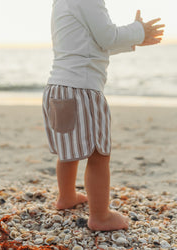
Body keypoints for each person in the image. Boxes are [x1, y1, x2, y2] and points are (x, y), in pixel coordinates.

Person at [42, 0, 165, 231]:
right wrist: (138, 30)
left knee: (69, 148)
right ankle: (100, 216)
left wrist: (135, 40)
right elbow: (107, 37)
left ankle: (66, 196)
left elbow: (91, 43)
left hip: (58, 87)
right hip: (82, 91)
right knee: (98, 154)